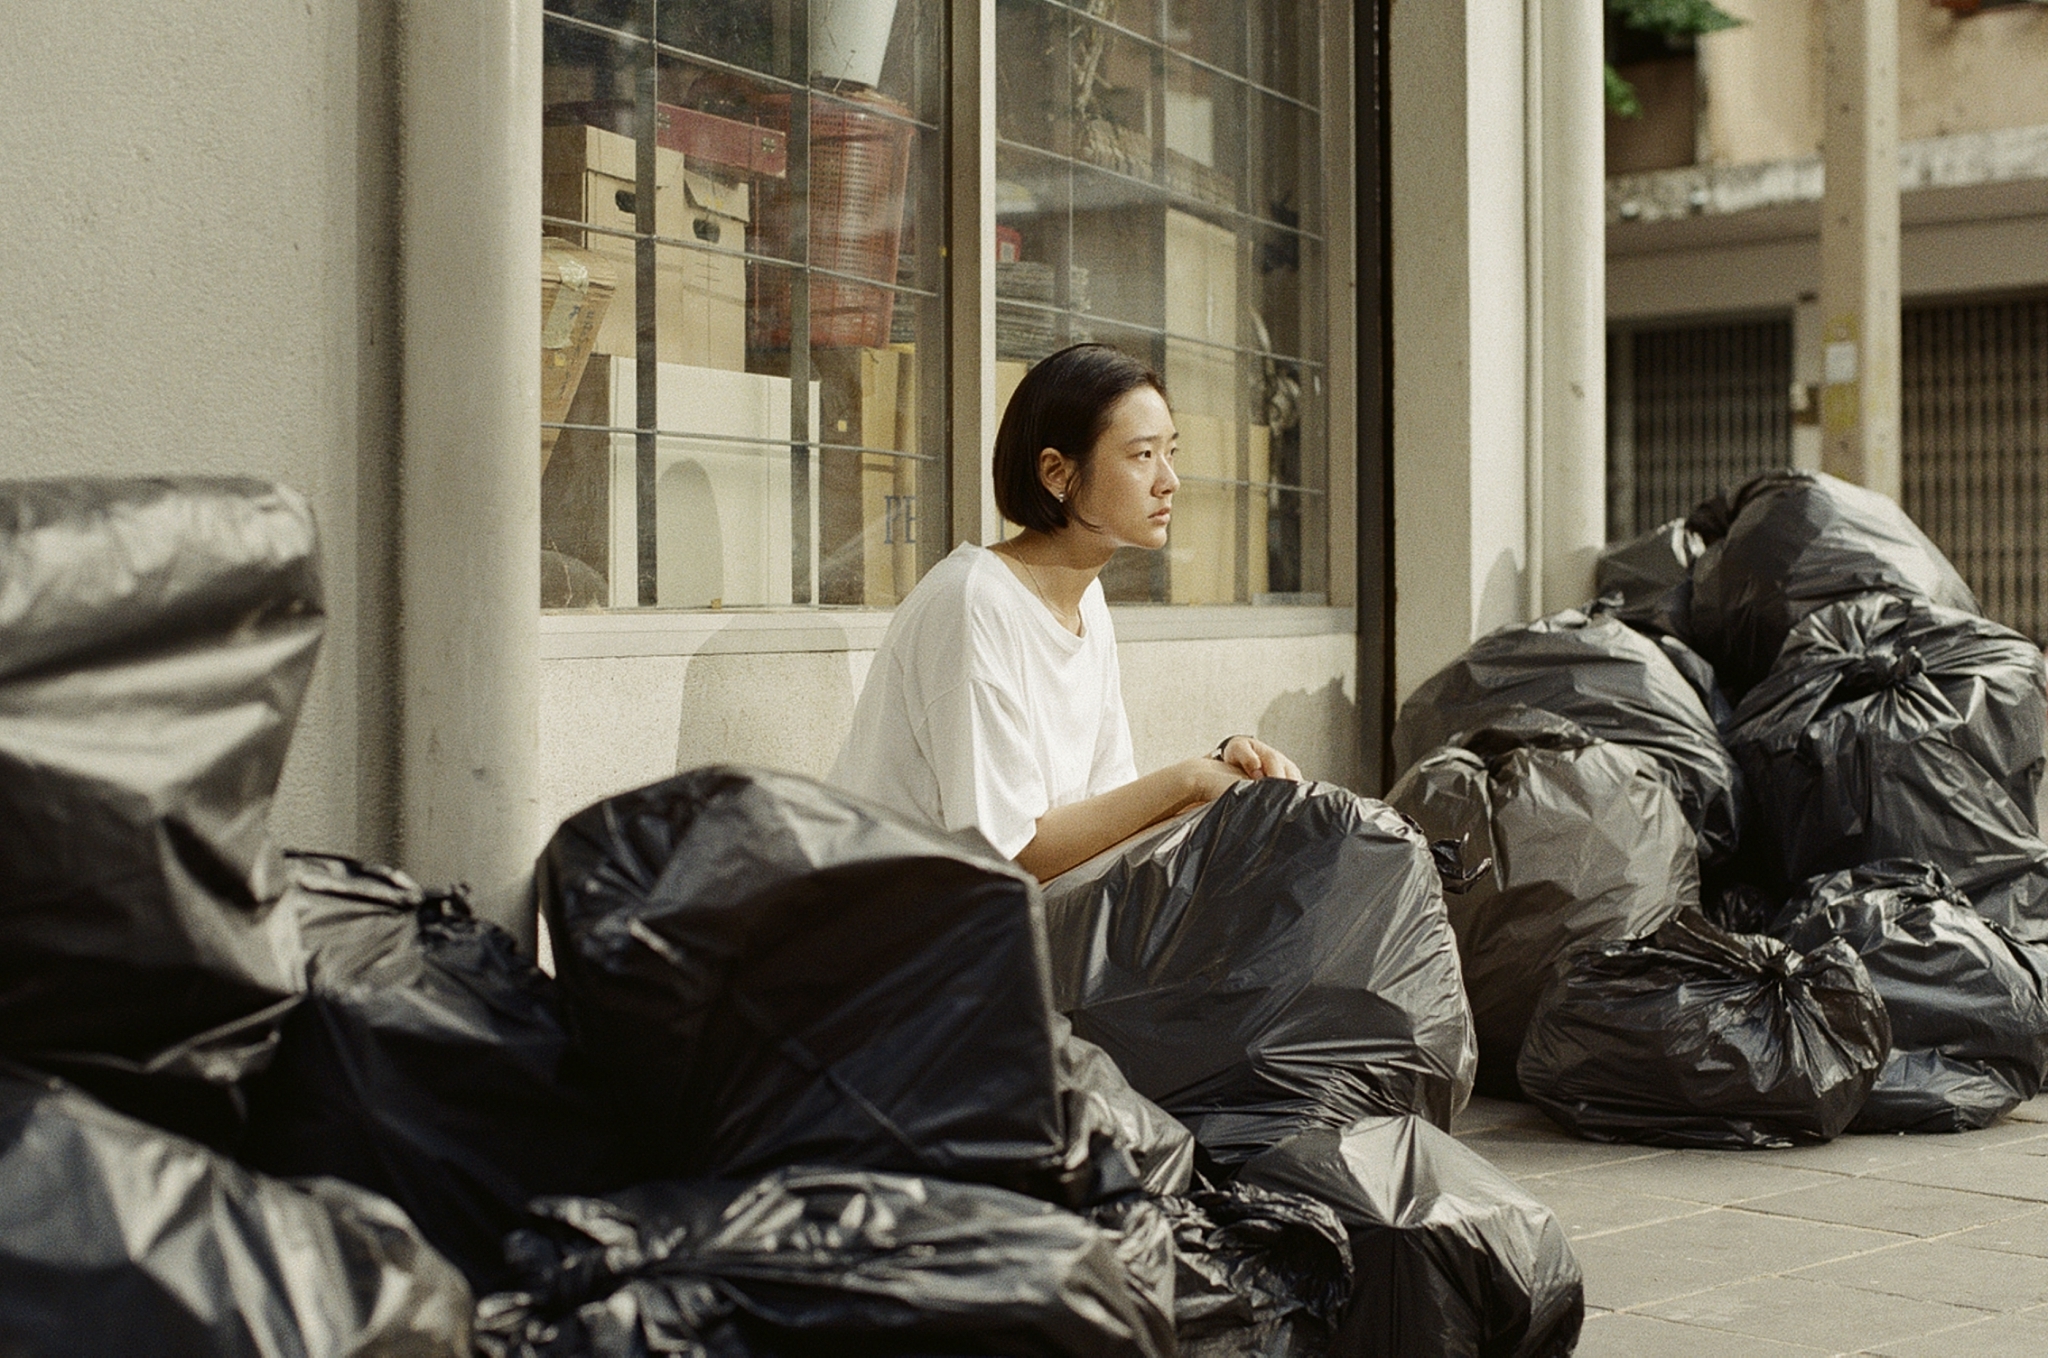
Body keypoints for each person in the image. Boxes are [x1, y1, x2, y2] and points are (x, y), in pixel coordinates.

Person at [829, 342, 1300, 881]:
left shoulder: (1086, 601)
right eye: (1143, 455)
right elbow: (1013, 857)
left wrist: (1220, 773)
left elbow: (1109, 824)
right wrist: (1190, 780)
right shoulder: (973, 604)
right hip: (894, 937)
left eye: (1172, 452)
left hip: (991, 929)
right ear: (1056, 473)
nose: (1169, 480)